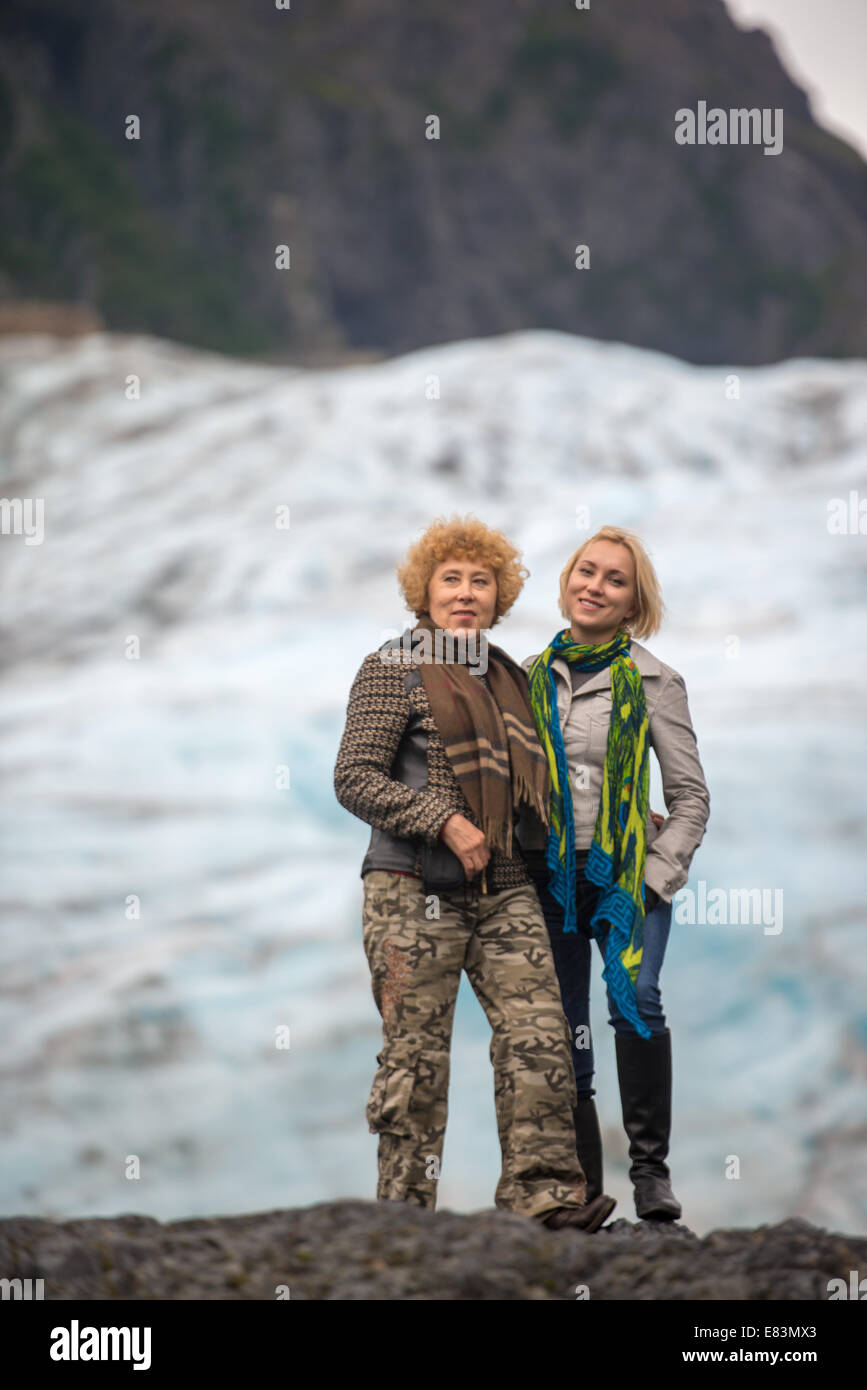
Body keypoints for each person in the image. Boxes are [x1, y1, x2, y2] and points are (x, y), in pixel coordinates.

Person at [333, 515, 617, 1231]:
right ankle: (404, 1217)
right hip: (409, 889)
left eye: (480, 581)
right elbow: (354, 778)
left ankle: (545, 1201)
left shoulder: (508, 678)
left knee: (538, 1035)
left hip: (505, 889)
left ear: (500, 597)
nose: (465, 593)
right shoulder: (389, 667)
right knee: (416, 1061)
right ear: (423, 592)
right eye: (450, 580)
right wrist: (443, 819)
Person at [519, 525, 710, 1221]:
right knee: (565, 1023)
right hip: (548, 878)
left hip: (630, 875)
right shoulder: (527, 676)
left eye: (613, 580)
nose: (594, 586)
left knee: (637, 999)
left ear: (633, 603)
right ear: (568, 581)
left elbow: (690, 800)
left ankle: (649, 1174)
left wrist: (656, 876)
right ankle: (584, 1191)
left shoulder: (657, 682)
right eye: (585, 572)